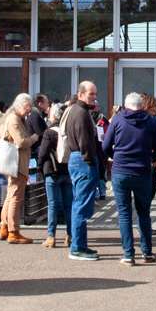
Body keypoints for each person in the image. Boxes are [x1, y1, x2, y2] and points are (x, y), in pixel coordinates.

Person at [104, 92, 156, 265]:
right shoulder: (151, 121)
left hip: (121, 171)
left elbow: (105, 145)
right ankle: (147, 252)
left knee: (124, 213)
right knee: (144, 212)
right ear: (142, 105)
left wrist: (115, 157)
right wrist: (150, 160)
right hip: (143, 171)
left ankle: (128, 254)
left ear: (126, 105)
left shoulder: (118, 120)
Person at [63, 81, 102, 261]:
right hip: (82, 160)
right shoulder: (81, 113)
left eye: (95, 93)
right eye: (90, 94)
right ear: (80, 94)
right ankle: (77, 247)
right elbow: (84, 141)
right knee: (81, 205)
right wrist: (90, 161)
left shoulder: (76, 110)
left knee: (79, 203)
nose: (94, 97)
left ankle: (80, 245)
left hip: (78, 158)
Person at [0, 93, 39, 245]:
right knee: (16, 197)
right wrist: (34, 138)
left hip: (15, 163)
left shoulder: (13, 118)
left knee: (11, 195)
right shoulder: (14, 119)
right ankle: (13, 232)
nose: (29, 110)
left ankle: (5, 227)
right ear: (20, 105)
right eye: (28, 107)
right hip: (17, 163)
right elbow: (21, 142)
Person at [37, 103, 71, 249]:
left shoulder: (49, 133)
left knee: (53, 204)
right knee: (68, 205)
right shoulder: (68, 131)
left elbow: (43, 153)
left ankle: (51, 236)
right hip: (67, 171)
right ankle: (70, 235)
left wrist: (40, 167)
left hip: (52, 171)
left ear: (53, 116)